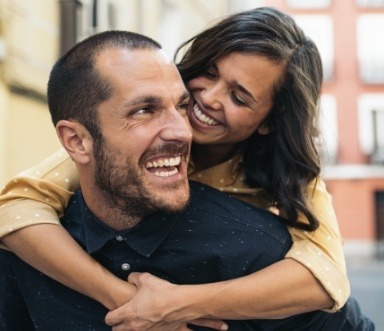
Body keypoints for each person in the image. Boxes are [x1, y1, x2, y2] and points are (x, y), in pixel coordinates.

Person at [0, 7, 364, 329]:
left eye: (238, 97)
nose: (208, 98)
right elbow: (16, 208)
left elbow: (325, 278)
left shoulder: (284, 185)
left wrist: (176, 304)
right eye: (208, 72)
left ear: (269, 121)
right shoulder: (120, 146)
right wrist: (124, 300)